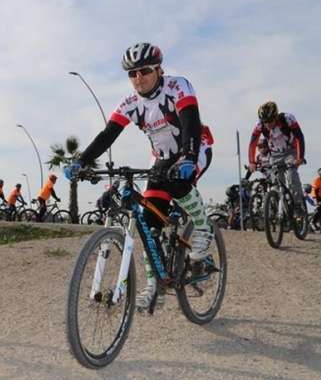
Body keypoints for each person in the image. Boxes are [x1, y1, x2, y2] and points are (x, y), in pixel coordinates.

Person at [65, 42, 214, 310]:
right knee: (148, 224)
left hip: (195, 147)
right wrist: (81, 161)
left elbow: (190, 122)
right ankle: (154, 286)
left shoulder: (177, 86)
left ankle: (203, 228)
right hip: (161, 159)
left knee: (178, 182)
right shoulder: (130, 103)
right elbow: (107, 135)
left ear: (158, 70)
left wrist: (189, 157)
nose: (138, 78)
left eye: (144, 71)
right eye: (132, 73)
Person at [248, 101, 306, 208]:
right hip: (275, 154)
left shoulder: (288, 119)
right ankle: (276, 209)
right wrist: (252, 162)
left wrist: (300, 157)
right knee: (275, 182)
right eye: (265, 121)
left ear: (275, 117)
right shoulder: (259, 125)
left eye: (270, 121)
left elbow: (299, 138)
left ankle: (298, 205)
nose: (268, 124)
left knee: (291, 175)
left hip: (291, 151)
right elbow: (253, 143)